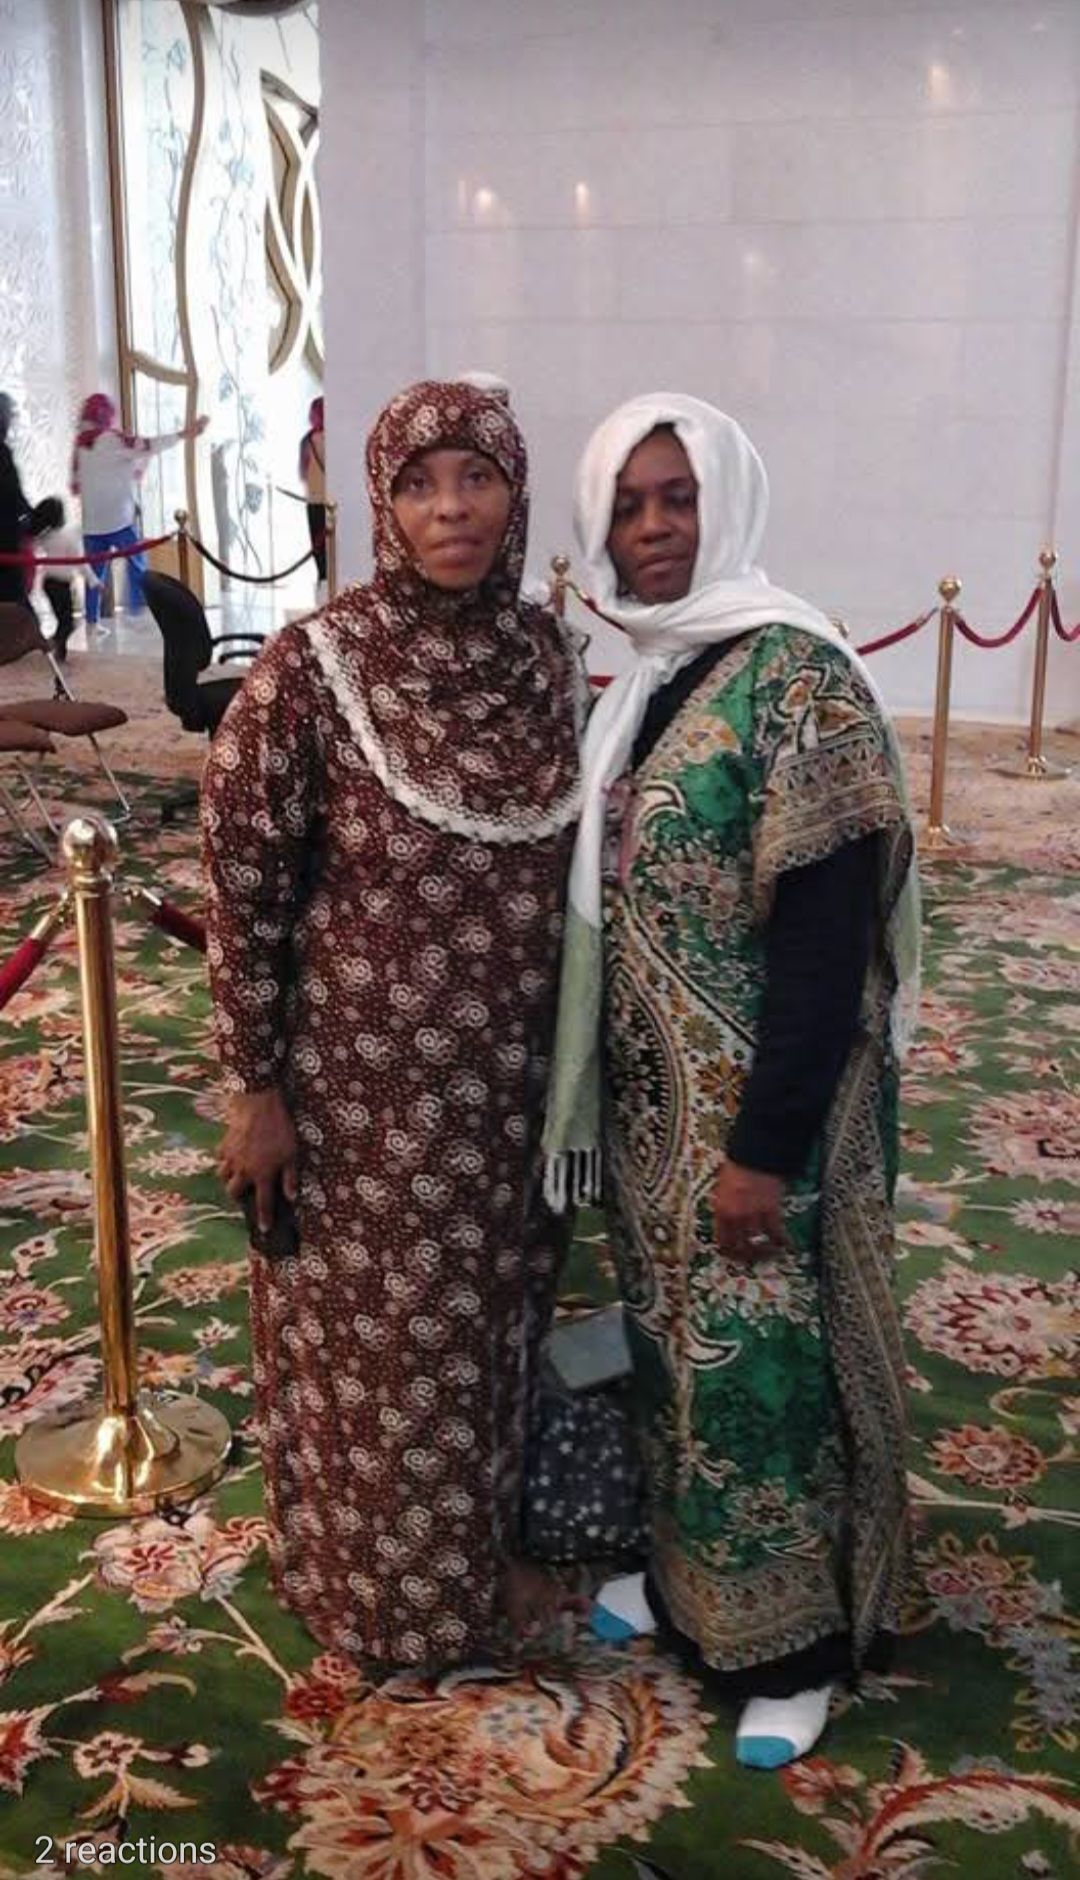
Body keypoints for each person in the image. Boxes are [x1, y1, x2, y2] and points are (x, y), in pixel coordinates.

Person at [543, 393, 920, 1768]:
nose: (651, 529)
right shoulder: (652, 675)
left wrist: (765, 1147)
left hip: (770, 1124)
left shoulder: (797, 676)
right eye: (628, 504)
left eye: (677, 498)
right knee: (676, 1365)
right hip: (660, 1122)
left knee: (765, 1375)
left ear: (728, 501)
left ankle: (800, 1647)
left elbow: (829, 949)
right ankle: (696, 1588)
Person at [202, 377, 583, 1671]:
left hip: (517, 1094)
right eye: (421, 483)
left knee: (496, 1337)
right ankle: (377, 1605)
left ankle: (481, 1574)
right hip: (368, 1111)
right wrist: (253, 1086)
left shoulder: (545, 659)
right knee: (386, 1361)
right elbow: (243, 877)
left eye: (475, 476)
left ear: (515, 491)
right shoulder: (316, 669)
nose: (452, 507)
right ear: (382, 501)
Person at [71, 394, 207, 622]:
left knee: (94, 578)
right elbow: (149, 445)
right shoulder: (113, 439)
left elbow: (76, 486)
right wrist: (185, 434)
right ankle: (139, 613)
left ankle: (91, 624)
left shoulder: (80, 446)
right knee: (138, 567)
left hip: (92, 525)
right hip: (120, 521)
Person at [27, 496, 100, 661]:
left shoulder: (44, 537)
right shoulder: (67, 537)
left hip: (48, 583)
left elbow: (32, 547)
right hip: (60, 585)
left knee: (63, 620)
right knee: (67, 622)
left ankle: (57, 649)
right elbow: (80, 562)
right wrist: (93, 580)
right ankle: (53, 647)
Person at [0, 393, 32, 605]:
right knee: (17, 610)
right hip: (5, 541)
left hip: (8, 539)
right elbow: (13, 495)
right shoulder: (2, 453)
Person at [298, 394, 327, 586]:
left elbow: (302, 473)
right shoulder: (334, 438)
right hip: (332, 500)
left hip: (313, 500)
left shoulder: (307, 440)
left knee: (318, 546)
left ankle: (322, 579)